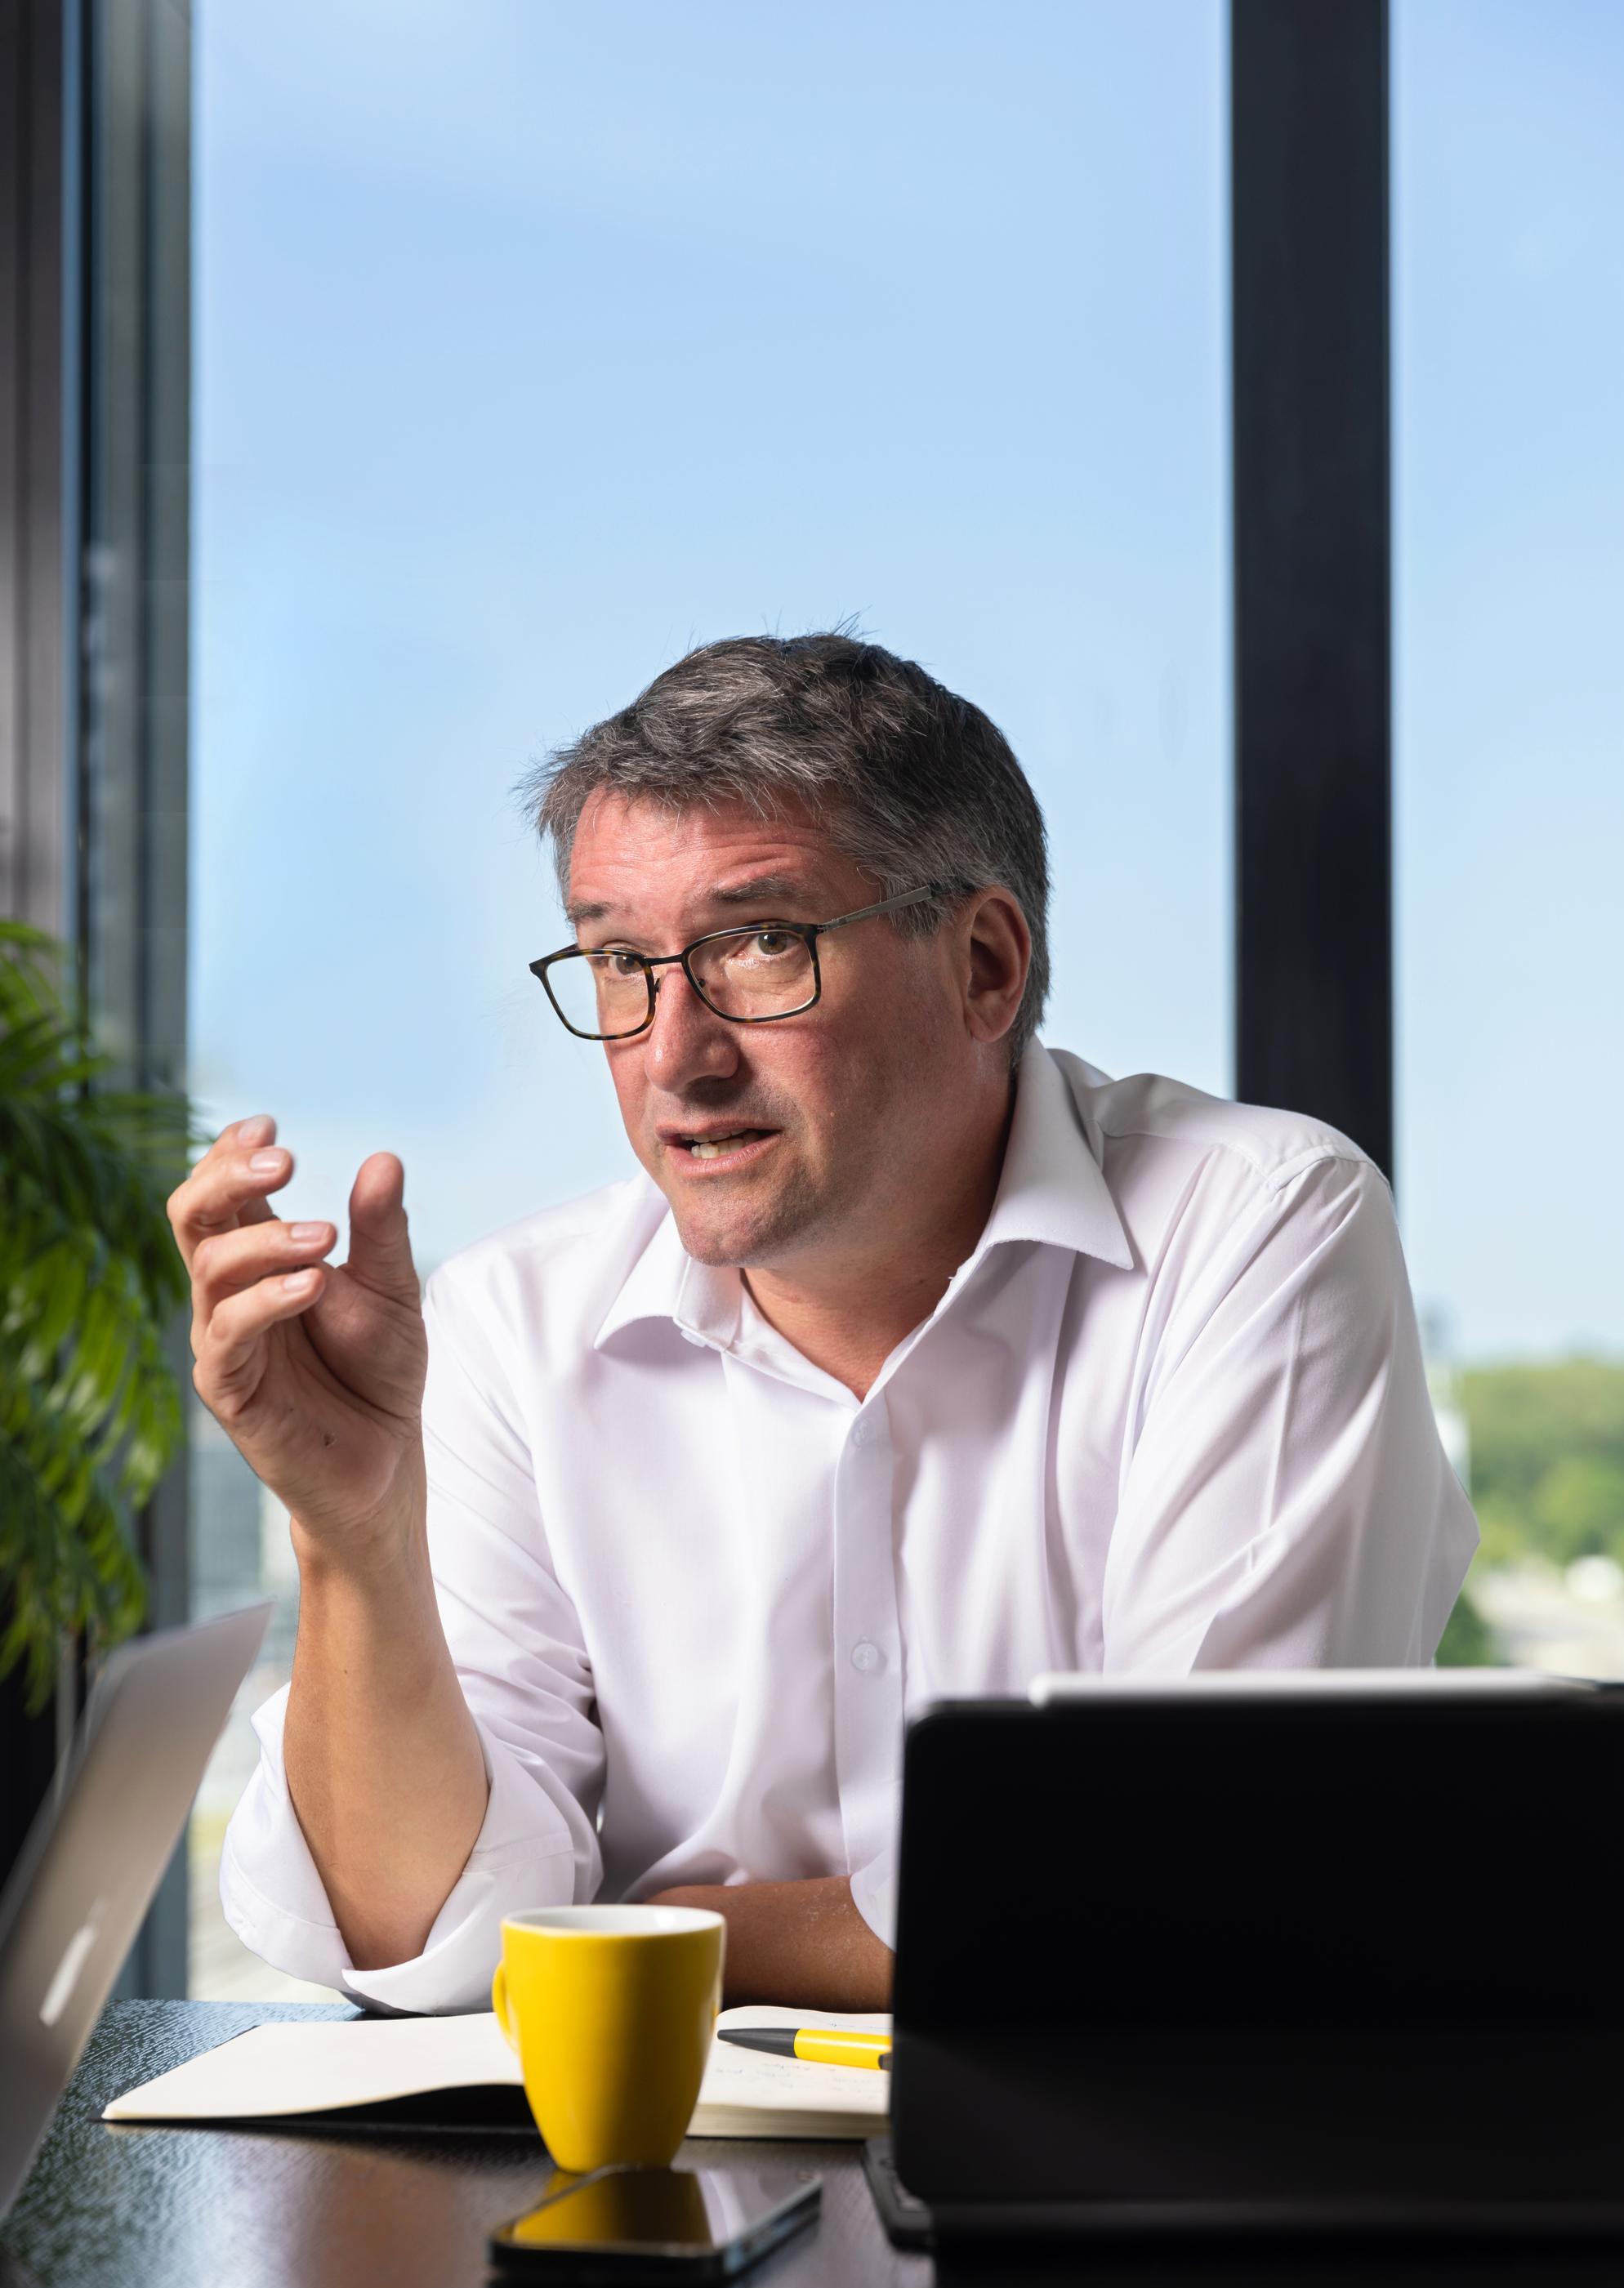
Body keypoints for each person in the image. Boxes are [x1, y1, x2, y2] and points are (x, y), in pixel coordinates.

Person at [171, 634, 1477, 2016]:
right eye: (622, 962)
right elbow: (420, 1931)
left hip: (1141, 2167)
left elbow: (1204, 1865)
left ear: (985, 963)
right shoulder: (505, 1325)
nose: (676, 1053)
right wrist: (354, 1532)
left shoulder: (1257, 1226)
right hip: (627, 2195)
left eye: (757, 945)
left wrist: (643, 1932)